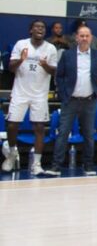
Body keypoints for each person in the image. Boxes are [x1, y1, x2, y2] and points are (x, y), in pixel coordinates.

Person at [45, 25, 97, 177]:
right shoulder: (67, 55)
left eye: (87, 35)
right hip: (70, 101)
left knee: (88, 135)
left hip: (89, 101)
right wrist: (63, 92)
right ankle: (56, 166)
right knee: (63, 134)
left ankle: (88, 165)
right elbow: (59, 76)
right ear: (76, 38)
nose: (84, 38)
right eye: (82, 35)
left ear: (91, 38)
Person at [1, 20, 58, 174]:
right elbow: (11, 68)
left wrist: (45, 65)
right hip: (20, 92)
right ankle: (12, 154)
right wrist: (21, 59)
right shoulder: (21, 44)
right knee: (12, 125)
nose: (40, 29)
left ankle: (37, 164)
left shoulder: (51, 48)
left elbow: (55, 72)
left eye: (43, 28)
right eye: (37, 27)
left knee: (39, 128)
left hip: (39, 94)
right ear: (30, 30)